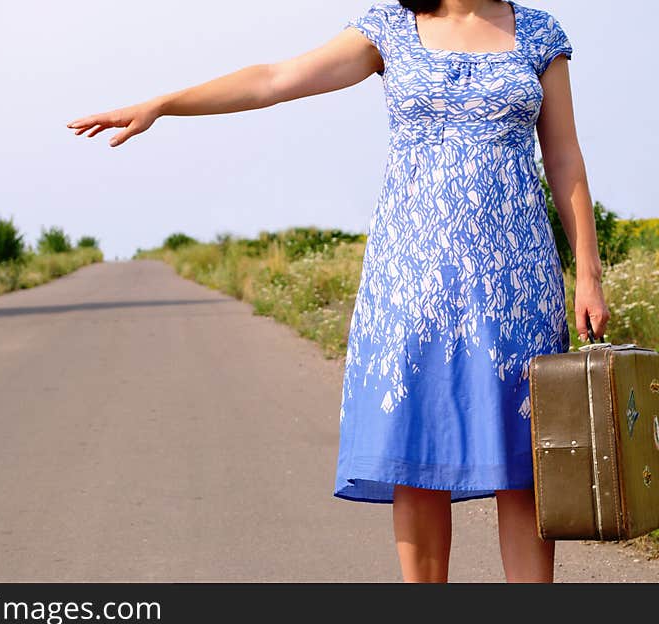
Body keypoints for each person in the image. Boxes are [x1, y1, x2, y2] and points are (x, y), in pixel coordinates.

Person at [67, 0, 611, 583]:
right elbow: (275, 80)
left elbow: (563, 155)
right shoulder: (390, 29)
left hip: (517, 282)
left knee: (524, 468)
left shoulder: (538, 32)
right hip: (410, 285)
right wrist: (164, 105)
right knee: (415, 462)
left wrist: (588, 273)